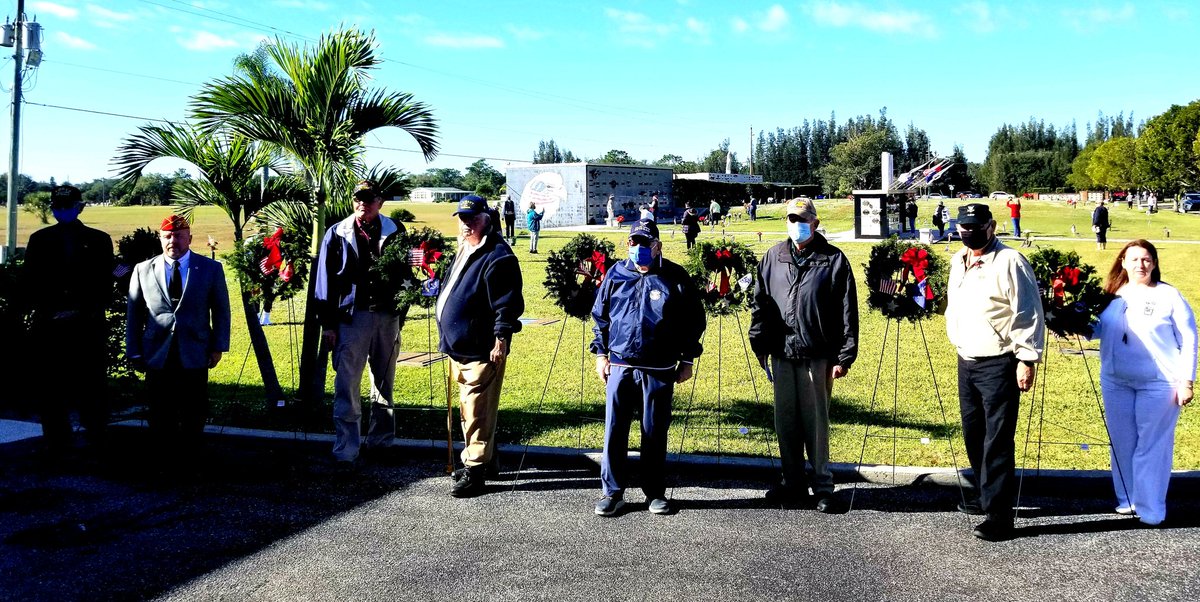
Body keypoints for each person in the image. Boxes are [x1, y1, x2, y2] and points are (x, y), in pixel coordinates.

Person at [749, 199, 858, 513]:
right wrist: (760, 344)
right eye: (791, 219)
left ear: (815, 222)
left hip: (817, 354)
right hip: (782, 352)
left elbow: (847, 311)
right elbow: (760, 305)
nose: (796, 224)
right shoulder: (773, 257)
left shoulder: (833, 260)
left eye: (802, 219)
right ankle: (792, 481)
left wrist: (845, 356)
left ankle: (823, 486)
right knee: (785, 423)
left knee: (815, 424)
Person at [591, 219, 705, 517]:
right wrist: (600, 354)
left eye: (645, 243)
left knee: (654, 430)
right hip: (620, 364)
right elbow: (600, 317)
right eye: (634, 242)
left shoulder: (675, 277)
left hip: (659, 367)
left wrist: (688, 359)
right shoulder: (616, 273)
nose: (639, 248)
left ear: (658, 246)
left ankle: (654, 492)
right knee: (614, 430)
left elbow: (693, 321)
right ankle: (612, 492)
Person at [944, 203, 1044, 542]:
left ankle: (999, 516)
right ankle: (984, 494)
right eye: (964, 227)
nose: (969, 232)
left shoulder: (1010, 262)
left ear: (992, 226)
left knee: (997, 439)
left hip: (999, 362)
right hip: (967, 359)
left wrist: (1027, 359)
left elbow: (1027, 312)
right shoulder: (958, 261)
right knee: (974, 433)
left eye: (977, 226)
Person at [1092, 240, 1196, 526]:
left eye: (1147, 259)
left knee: (1152, 445)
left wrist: (1186, 380)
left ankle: (1151, 508)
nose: (1141, 265)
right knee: (1122, 442)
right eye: (1135, 259)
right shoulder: (1111, 295)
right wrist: (1064, 319)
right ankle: (1128, 499)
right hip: (1116, 381)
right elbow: (1096, 330)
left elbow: (1189, 338)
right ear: (1123, 262)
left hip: (1159, 382)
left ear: (1154, 263)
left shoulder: (1169, 295)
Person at [437, 195, 525, 497]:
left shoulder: (498, 256)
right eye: (462, 218)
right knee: (471, 409)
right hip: (459, 347)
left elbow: (507, 305)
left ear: (487, 219)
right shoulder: (465, 247)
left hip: (482, 348)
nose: (466, 224)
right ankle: (488, 459)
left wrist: (501, 339)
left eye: (472, 218)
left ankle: (475, 472)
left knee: (476, 411)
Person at [313, 180, 407, 466]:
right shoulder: (337, 233)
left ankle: (381, 443)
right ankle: (346, 449)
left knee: (384, 382)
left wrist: (401, 312)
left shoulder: (396, 230)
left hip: (387, 317)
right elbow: (323, 282)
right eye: (358, 198)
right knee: (347, 384)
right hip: (351, 318)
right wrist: (329, 325)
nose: (362, 203)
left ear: (380, 202)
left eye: (368, 198)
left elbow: (407, 273)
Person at [126, 214, 231, 458]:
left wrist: (218, 346)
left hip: (195, 352)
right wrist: (134, 350)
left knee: (194, 410)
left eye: (179, 236)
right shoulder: (143, 269)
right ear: (160, 239)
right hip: (157, 353)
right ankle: (163, 459)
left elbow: (221, 310)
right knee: (159, 410)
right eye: (168, 236)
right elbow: (134, 313)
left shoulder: (210, 268)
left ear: (189, 239)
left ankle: (190, 458)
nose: (173, 241)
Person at [22, 185, 114, 455]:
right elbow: (29, 283)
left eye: (67, 206)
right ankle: (56, 444)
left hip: (87, 328)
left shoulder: (99, 240)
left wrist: (80, 311)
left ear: (80, 207)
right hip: (49, 327)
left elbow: (105, 284)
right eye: (57, 207)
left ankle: (97, 442)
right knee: (51, 390)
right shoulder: (39, 240)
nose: (61, 211)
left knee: (92, 387)